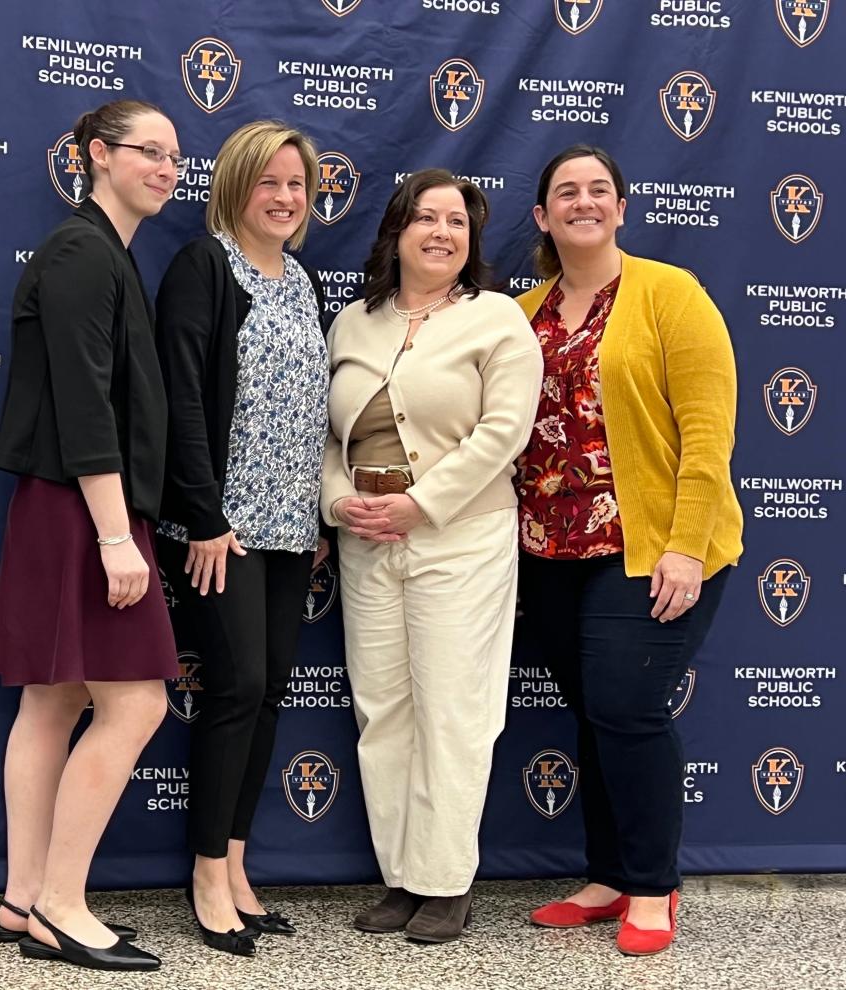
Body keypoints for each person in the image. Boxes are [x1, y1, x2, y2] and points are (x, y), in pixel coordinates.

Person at [516, 145, 743, 956]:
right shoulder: (522, 311)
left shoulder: (668, 294)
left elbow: (709, 431)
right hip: (548, 550)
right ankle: (608, 876)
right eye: (565, 192)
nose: (583, 201)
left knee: (628, 707)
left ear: (621, 207)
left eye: (598, 190)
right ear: (542, 216)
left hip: (650, 546)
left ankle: (652, 887)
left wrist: (686, 546)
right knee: (595, 712)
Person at [0, 100, 185, 972]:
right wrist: (114, 537)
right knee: (134, 703)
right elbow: (82, 401)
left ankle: (25, 902)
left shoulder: (105, 255)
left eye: (177, 156)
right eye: (150, 151)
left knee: (56, 701)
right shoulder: (81, 252)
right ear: (98, 156)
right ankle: (62, 902)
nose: (168, 168)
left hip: (72, 507)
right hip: (82, 511)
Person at [321, 169, 542, 944]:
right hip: (366, 536)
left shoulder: (499, 321)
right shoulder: (353, 322)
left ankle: (446, 882)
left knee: (453, 710)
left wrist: (423, 504)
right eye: (425, 218)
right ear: (396, 232)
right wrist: (337, 501)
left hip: (460, 536)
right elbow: (325, 436)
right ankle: (402, 879)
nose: (441, 232)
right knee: (383, 711)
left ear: (472, 238)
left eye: (457, 220)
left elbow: (503, 432)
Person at [155, 120, 329, 958]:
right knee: (233, 690)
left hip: (294, 529)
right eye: (271, 182)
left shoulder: (302, 281)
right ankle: (203, 875)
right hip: (223, 530)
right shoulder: (204, 268)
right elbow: (181, 401)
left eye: (298, 184)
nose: (287, 197)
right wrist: (204, 516)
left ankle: (237, 863)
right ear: (236, 185)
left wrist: (318, 516)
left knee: (267, 696)